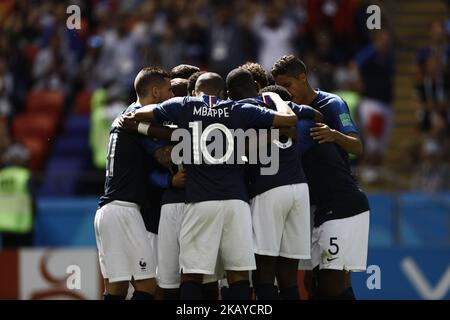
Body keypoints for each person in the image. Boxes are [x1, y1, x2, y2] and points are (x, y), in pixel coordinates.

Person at [120, 68, 306, 300]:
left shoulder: (184, 105)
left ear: (196, 91)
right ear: (222, 93)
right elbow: (290, 119)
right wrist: (278, 99)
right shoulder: (239, 109)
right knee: (238, 274)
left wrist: (139, 124)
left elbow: (141, 112)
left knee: (192, 275)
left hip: (201, 201)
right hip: (236, 203)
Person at [93, 67, 174, 300]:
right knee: (147, 285)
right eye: (169, 90)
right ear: (156, 92)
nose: (171, 96)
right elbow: (164, 157)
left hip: (107, 211)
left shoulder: (127, 114)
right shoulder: (138, 118)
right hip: (124, 212)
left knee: (116, 289)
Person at [296, 117, 370, 300]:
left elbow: (357, 147)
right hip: (321, 210)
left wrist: (335, 135)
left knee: (332, 284)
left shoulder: (309, 128)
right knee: (314, 283)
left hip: (342, 207)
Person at [271, 54, 363, 160]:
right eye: (280, 88)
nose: (285, 92)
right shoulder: (283, 109)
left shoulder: (333, 103)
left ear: (302, 77)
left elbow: (357, 147)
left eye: (287, 85)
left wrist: (334, 135)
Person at [0, 142, 34, 248]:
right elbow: (32, 199)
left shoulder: (2, 176)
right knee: (25, 260)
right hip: (22, 224)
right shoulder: (24, 175)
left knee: (9, 260)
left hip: (4, 224)